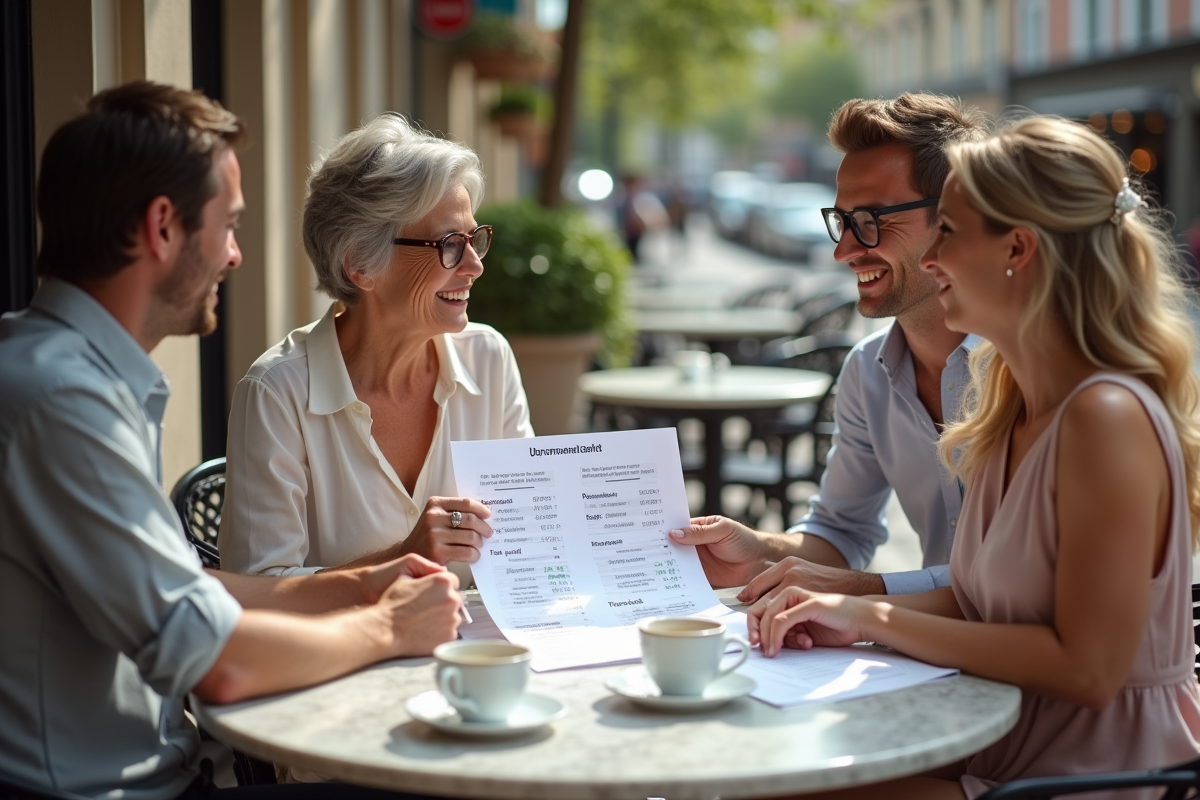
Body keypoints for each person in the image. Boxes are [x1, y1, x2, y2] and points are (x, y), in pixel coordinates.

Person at [0, 81, 462, 800]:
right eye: (228, 225)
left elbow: (187, 590)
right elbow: (215, 661)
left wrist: (359, 582)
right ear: (162, 227)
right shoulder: (63, 401)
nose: (236, 256)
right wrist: (387, 628)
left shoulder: (70, 376)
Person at [753, 115, 1200, 799]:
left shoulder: (1102, 417)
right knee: (777, 759)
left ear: (1017, 249)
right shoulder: (1006, 402)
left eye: (950, 234)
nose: (932, 260)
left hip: (1095, 772)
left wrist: (872, 616)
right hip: (1003, 735)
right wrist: (836, 611)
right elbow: (977, 601)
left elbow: (1088, 669)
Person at [672, 94, 988, 600]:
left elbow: (1022, 582)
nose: (843, 251)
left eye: (871, 220)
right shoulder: (867, 369)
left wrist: (860, 596)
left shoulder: (1029, 368)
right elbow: (842, 532)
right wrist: (758, 551)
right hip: (944, 657)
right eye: (842, 221)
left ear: (954, 217)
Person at [219, 114, 533, 584]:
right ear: (362, 265)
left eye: (475, 239)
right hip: (350, 658)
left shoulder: (488, 358)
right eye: (450, 243)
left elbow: (534, 533)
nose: (474, 265)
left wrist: (667, 546)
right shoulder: (277, 391)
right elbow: (256, 589)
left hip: (479, 652)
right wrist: (401, 559)